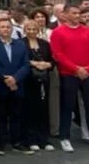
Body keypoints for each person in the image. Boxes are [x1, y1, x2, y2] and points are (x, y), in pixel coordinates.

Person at [50, 4, 89, 152]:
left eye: (79, 13)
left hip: (88, 74)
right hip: (69, 74)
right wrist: (76, 68)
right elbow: (58, 55)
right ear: (65, 15)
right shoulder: (58, 32)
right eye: (74, 13)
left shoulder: (88, 32)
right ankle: (65, 138)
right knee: (68, 106)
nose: (77, 16)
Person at [0, 18, 31, 155]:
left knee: (17, 114)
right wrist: (5, 78)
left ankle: (16, 142)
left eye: (8, 27)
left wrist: (15, 78)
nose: (6, 29)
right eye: (3, 27)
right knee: (0, 115)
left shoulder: (21, 45)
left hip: (17, 84)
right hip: (1, 85)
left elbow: (26, 64)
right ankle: (1, 143)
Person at [22, 20, 54, 151]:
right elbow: (20, 60)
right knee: (30, 109)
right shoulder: (21, 44)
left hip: (44, 81)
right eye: (28, 29)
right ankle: (31, 139)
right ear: (25, 30)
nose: (31, 31)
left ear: (38, 30)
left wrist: (47, 64)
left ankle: (44, 139)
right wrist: (33, 63)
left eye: (34, 29)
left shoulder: (45, 44)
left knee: (43, 109)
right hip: (28, 80)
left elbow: (53, 61)